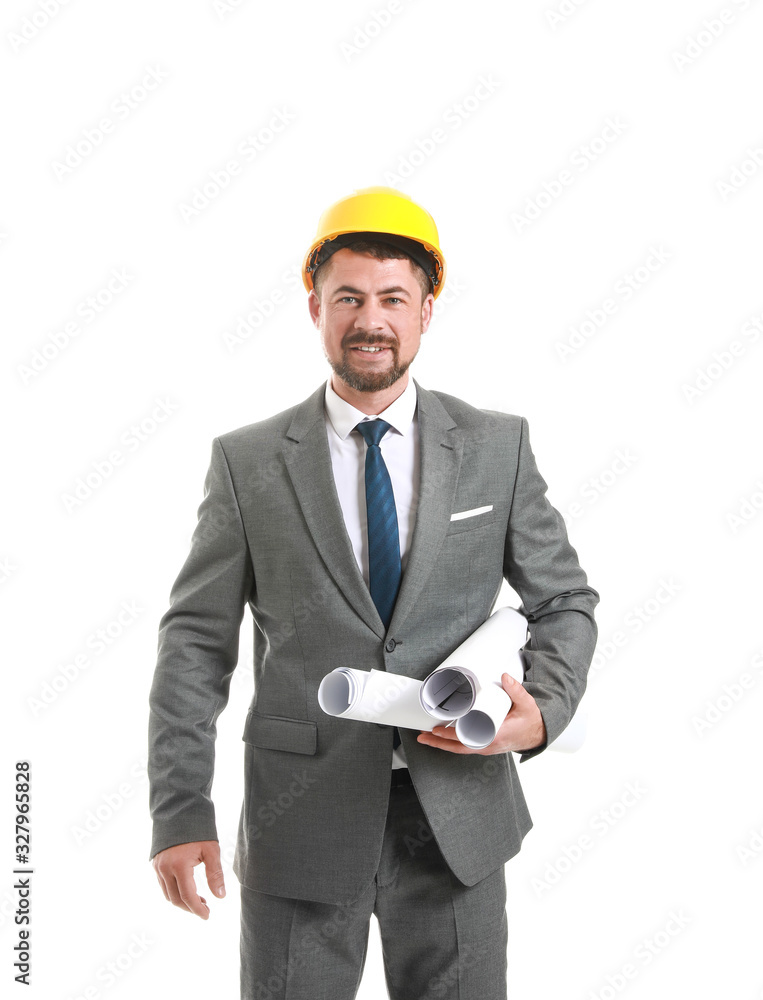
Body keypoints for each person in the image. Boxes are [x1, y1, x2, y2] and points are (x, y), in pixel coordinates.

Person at [148, 185, 599, 1000]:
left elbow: (562, 599)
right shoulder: (247, 463)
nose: (370, 320)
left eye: (393, 298)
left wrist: (544, 710)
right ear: (314, 309)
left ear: (425, 311)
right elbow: (195, 644)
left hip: (458, 820)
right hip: (300, 822)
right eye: (348, 298)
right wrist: (179, 811)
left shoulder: (495, 446)